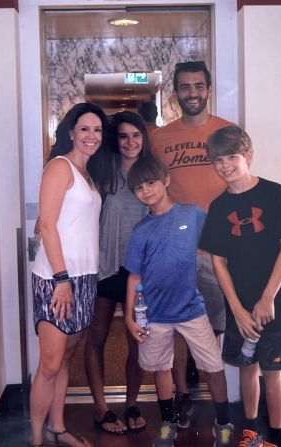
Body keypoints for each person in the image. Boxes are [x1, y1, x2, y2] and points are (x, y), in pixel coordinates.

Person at [199, 125, 281, 447]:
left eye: (232, 156)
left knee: (273, 371)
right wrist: (238, 310)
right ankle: (250, 432)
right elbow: (218, 261)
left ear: (248, 156)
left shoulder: (274, 194)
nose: (225, 165)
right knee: (247, 367)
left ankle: (278, 437)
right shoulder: (218, 207)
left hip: (273, 304)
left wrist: (267, 298)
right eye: (217, 159)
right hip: (239, 306)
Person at [123, 157, 235, 447]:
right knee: (161, 368)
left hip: (192, 310)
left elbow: (220, 246)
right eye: (139, 187)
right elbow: (134, 277)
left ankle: (223, 422)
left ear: (166, 180)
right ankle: (167, 423)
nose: (146, 190)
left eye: (151, 183)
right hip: (155, 315)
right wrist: (129, 317)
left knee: (213, 367)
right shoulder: (140, 232)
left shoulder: (191, 215)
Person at [149, 60, 234, 427]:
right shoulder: (159, 138)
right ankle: (182, 393)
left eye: (199, 86)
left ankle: (209, 390)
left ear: (209, 89)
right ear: (176, 92)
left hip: (218, 251)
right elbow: (148, 185)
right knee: (177, 325)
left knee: (213, 326)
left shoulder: (229, 131)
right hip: (176, 251)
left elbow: (241, 183)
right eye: (185, 87)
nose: (193, 93)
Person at [29, 102, 108, 447]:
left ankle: (57, 429)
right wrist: (62, 279)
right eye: (85, 129)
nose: (92, 136)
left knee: (65, 359)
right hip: (56, 278)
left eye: (97, 130)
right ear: (71, 132)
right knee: (49, 363)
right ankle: (35, 437)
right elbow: (46, 224)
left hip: (85, 276)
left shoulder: (88, 174)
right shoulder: (59, 167)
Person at [84, 111, 150, 435]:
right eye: (123, 136)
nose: (130, 142)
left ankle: (131, 403)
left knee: (136, 341)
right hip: (105, 267)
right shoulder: (101, 171)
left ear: (143, 137)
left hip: (140, 270)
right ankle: (101, 408)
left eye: (135, 135)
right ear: (116, 140)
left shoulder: (151, 172)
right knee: (96, 338)